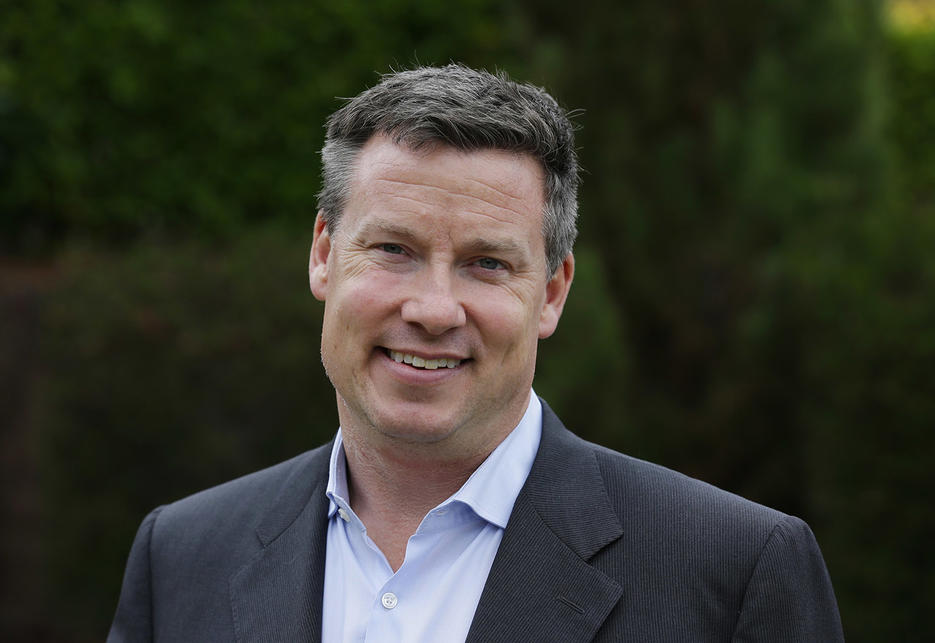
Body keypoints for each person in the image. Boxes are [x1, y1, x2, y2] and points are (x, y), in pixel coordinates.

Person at [109, 64, 844, 642]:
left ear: (553, 291)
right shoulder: (182, 555)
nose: (432, 309)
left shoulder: (735, 571)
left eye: (486, 263)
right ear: (324, 255)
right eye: (393, 249)